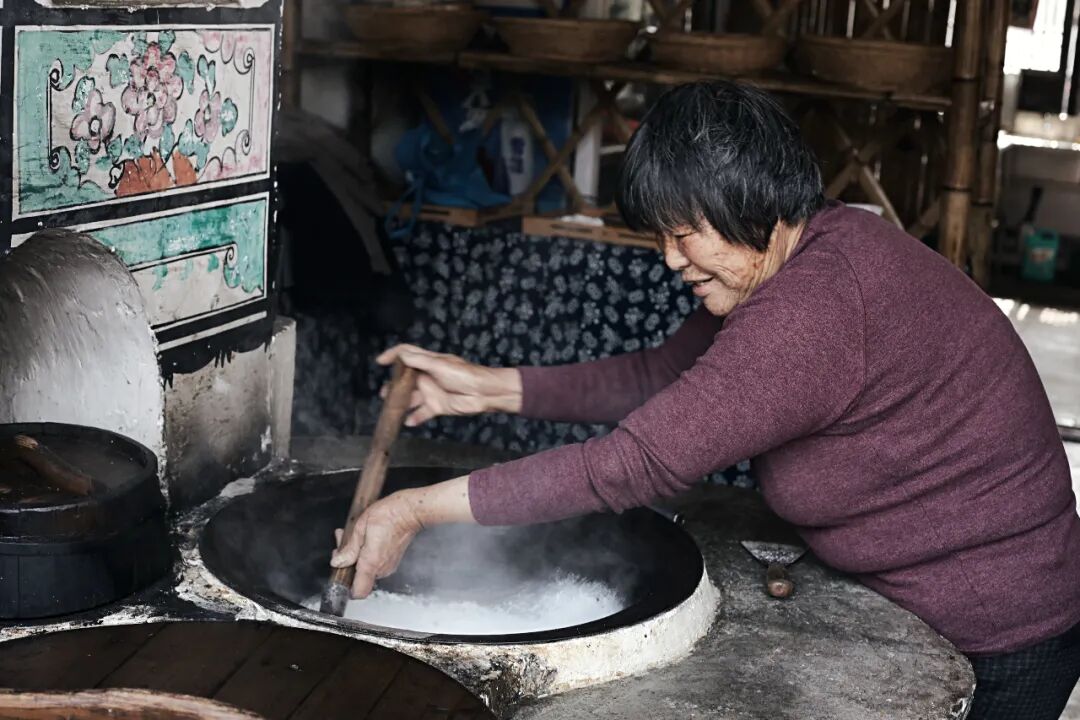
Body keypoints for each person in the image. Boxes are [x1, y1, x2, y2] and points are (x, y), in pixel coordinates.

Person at [329, 80, 1080, 720]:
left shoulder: (814, 310)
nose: (670, 259)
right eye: (661, 235)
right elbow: (664, 376)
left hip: (992, 634)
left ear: (751, 203)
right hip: (935, 606)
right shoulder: (813, 247)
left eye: (685, 233)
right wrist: (489, 386)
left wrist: (414, 509)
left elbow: (631, 467)